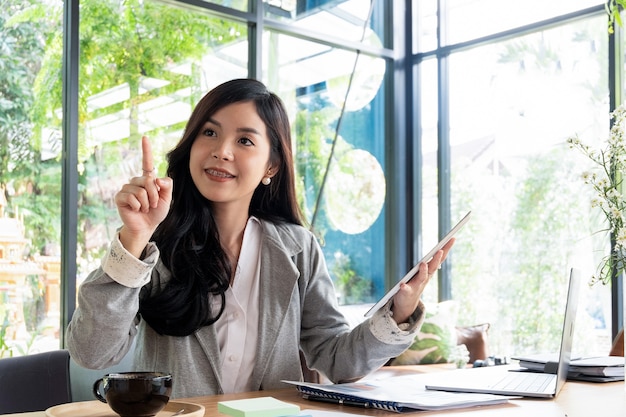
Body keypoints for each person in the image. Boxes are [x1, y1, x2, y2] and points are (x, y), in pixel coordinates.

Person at [66, 78, 454, 398]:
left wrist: (400, 311)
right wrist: (133, 238)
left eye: (245, 141)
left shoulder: (298, 247)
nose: (221, 151)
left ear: (271, 164)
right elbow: (92, 352)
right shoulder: (154, 245)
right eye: (210, 132)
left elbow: (337, 361)